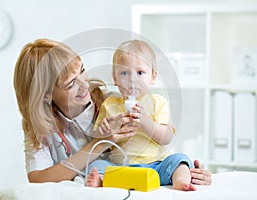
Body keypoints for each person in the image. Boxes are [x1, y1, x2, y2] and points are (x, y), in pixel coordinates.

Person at [13, 38, 212, 185]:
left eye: (82, 70)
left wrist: (185, 169)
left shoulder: (113, 102)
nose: (84, 85)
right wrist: (97, 145)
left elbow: (152, 145)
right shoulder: (40, 128)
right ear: (46, 95)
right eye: (71, 83)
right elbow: (38, 179)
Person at [87, 40, 207, 191]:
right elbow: (97, 141)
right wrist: (104, 131)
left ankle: (181, 181)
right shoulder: (109, 104)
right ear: (115, 79)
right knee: (96, 165)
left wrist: (146, 122)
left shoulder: (157, 102)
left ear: (153, 77)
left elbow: (166, 138)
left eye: (140, 73)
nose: (132, 79)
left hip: (156, 166)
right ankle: (103, 180)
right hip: (120, 167)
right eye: (124, 73)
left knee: (180, 160)